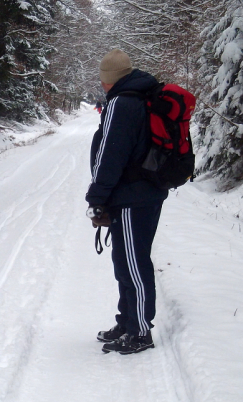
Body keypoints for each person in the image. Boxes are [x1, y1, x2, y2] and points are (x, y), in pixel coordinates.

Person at [86, 49, 168, 355]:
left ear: (110, 79)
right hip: (136, 193)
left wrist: (97, 196)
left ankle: (140, 331)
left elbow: (111, 155)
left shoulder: (123, 103)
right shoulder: (138, 96)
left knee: (134, 264)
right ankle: (128, 321)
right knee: (125, 261)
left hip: (135, 195)